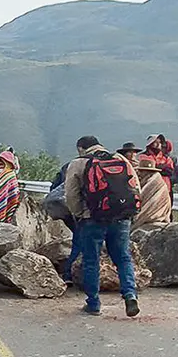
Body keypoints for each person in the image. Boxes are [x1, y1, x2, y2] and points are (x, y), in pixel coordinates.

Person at [65, 136, 141, 317]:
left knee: (92, 260)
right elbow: (135, 186)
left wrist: (79, 214)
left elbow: (71, 194)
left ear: (80, 148)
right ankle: (130, 295)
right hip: (121, 217)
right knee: (123, 258)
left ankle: (93, 303)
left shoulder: (78, 163)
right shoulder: (120, 159)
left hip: (92, 219)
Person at [133, 156, 173, 228]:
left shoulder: (154, 183)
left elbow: (148, 202)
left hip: (156, 215)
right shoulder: (146, 181)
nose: (139, 173)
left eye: (142, 171)